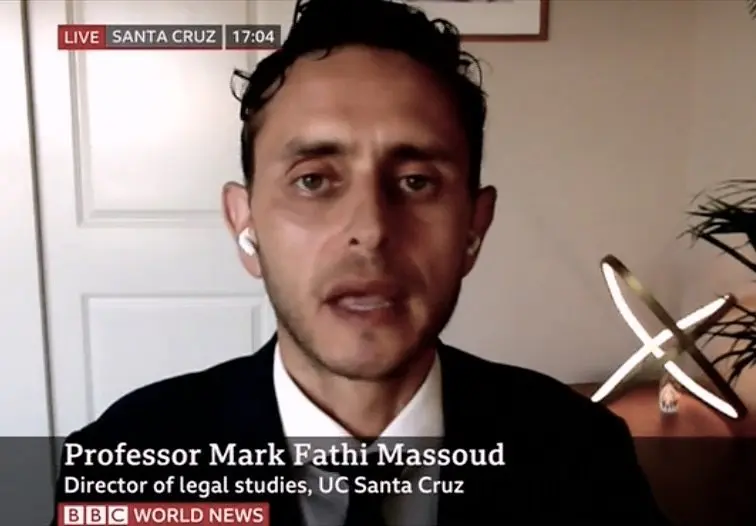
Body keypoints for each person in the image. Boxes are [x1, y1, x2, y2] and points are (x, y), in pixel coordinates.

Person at [50, 0, 670, 525]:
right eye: (314, 180)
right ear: (245, 224)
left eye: (417, 181)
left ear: (474, 228)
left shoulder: (582, 453)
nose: (371, 232)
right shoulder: (122, 465)